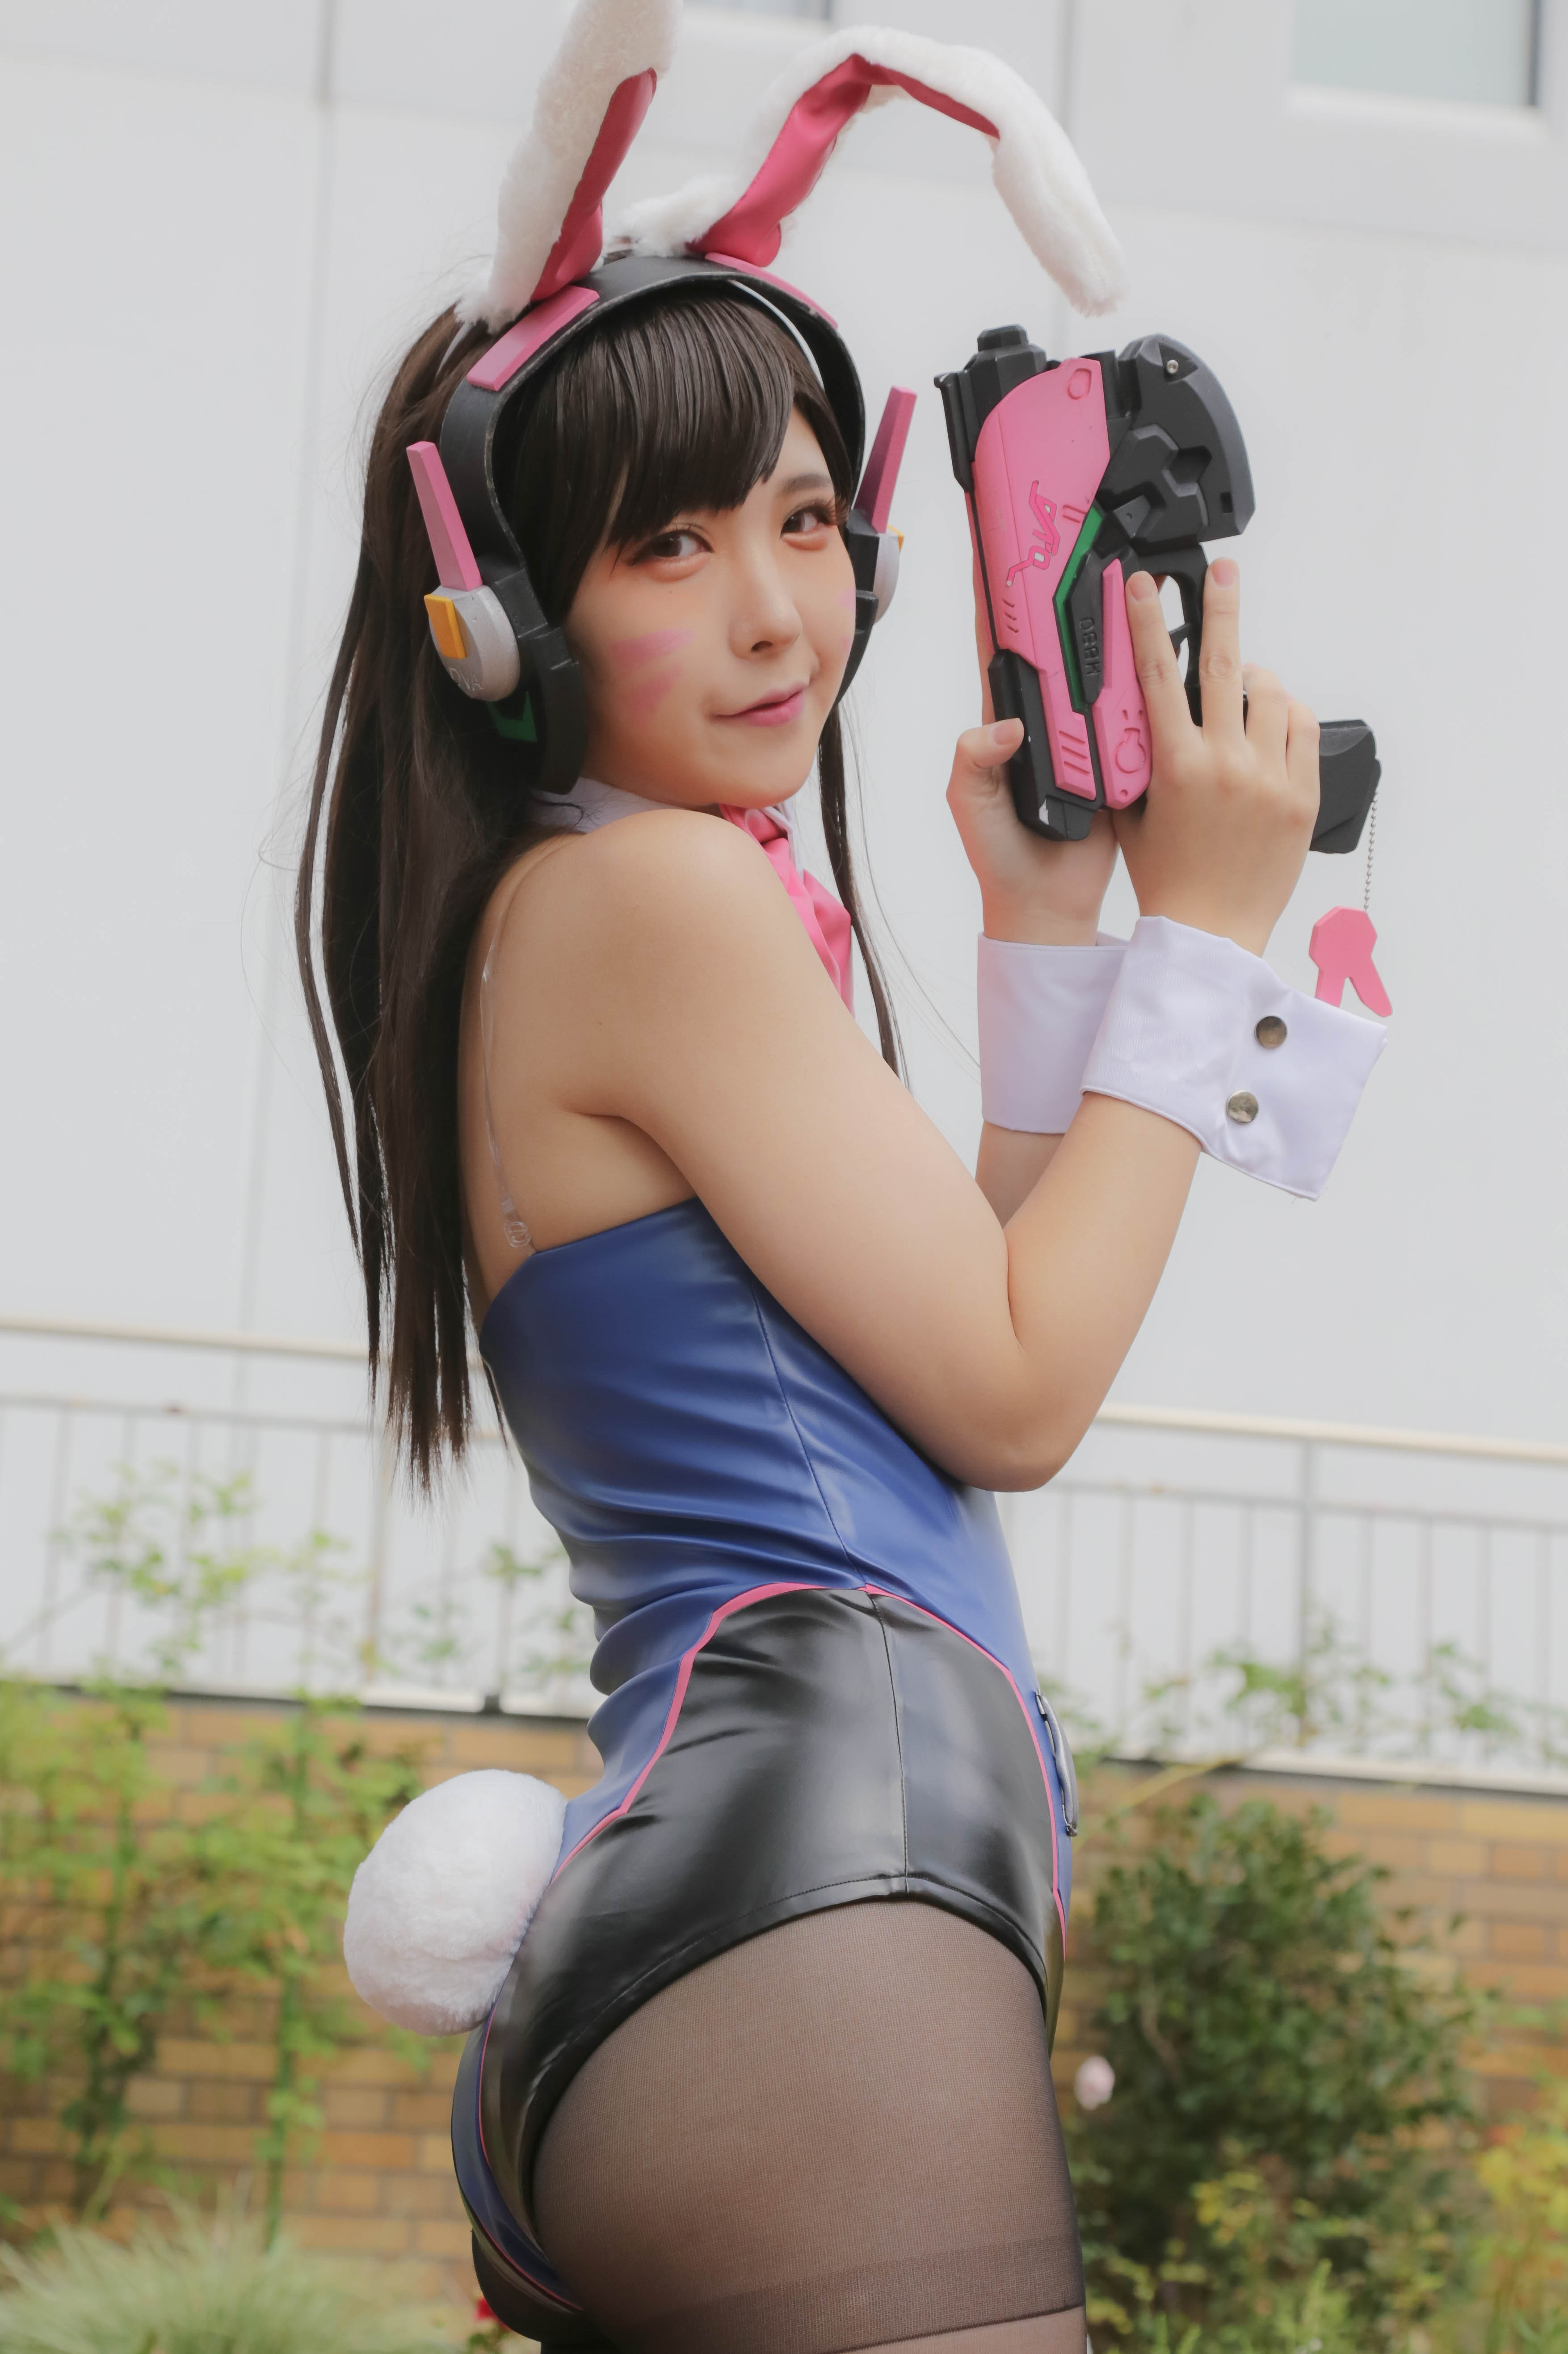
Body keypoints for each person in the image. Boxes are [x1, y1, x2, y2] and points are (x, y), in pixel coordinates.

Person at [302, 17, 1383, 2353]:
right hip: (809, 1889)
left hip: (763, 1896)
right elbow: (1017, 1393)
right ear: (500, 613)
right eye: (667, 543)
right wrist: (1205, 940)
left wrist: (1049, 936)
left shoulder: (584, 904)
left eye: (802, 518)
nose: (777, 609)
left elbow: (944, 1323)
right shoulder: (654, 898)